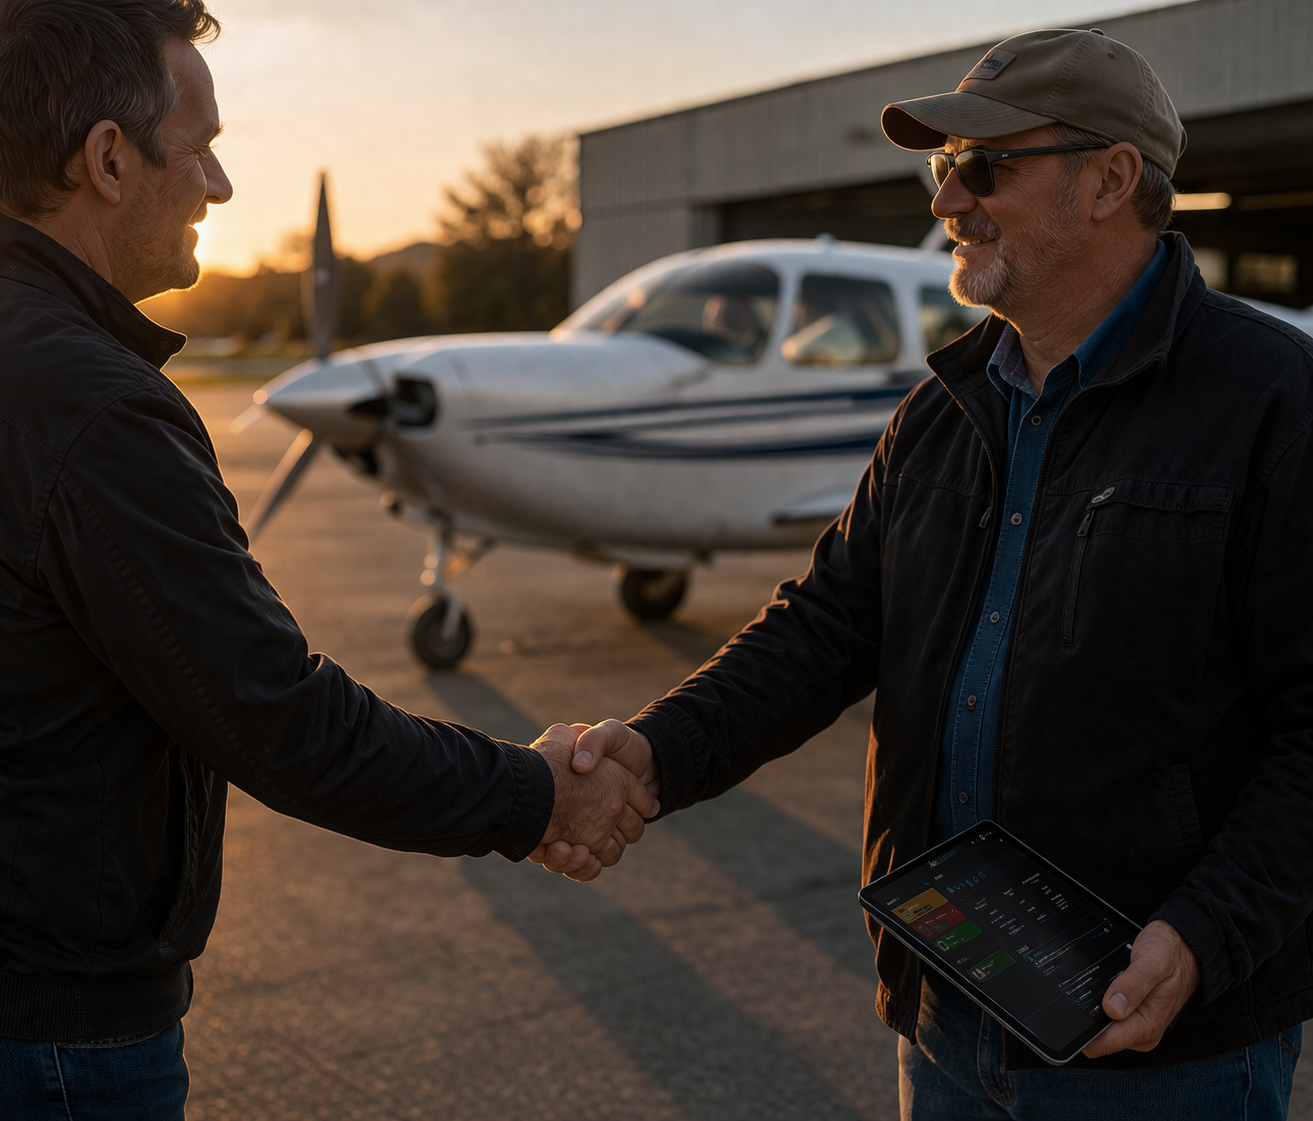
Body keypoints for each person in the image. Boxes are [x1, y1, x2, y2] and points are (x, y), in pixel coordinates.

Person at [547, 27, 1313, 1120]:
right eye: (942, 166)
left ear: (1109, 180)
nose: (950, 199)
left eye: (985, 166)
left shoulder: (1272, 399)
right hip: (948, 1017)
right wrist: (651, 751)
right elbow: (821, 629)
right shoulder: (941, 412)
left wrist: (1203, 932)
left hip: (1164, 1051)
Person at [0, 1, 652, 1116]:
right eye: (199, 144)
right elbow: (278, 720)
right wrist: (535, 790)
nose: (219, 185)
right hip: (36, 1035)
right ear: (107, 158)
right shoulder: (96, 408)